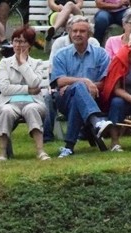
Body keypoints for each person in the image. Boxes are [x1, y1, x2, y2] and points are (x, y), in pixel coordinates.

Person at [50, 15, 112, 158]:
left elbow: (104, 83)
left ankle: (69, 147)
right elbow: (59, 82)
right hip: (63, 99)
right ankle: (97, 121)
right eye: (75, 31)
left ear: (89, 34)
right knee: (79, 88)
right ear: (70, 33)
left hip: (93, 98)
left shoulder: (101, 54)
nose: (77, 34)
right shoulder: (61, 55)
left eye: (82, 31)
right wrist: (85, 81)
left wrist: (77, 85)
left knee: (77, 97)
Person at [0, 26, 50, 162]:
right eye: (15, 41)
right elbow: (4, 88)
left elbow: (35, 82)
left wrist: (23, 64)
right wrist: (28, 89)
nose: (18, 45)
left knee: (31, 109)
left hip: (33, 102)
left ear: (30, 44)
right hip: (10, 102)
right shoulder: (5, 63)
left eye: (23, 41)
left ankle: (40, 151)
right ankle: (2, 153)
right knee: (6, 111)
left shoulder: (37, 63)